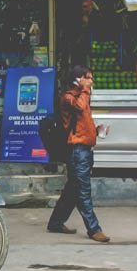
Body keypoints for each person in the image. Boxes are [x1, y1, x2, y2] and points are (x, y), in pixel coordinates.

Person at [47, 64, 110, 243]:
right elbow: (80, 107)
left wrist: (96, 130)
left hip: (85, 150)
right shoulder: (69, 98)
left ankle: (56, 222)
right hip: (76, 152)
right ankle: (94, 229)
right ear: (78, 79)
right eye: (87, 77)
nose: (91, 81)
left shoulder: (82, 97)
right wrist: (84, 89)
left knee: (73, 190)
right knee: (83, 191)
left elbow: (82, 121)